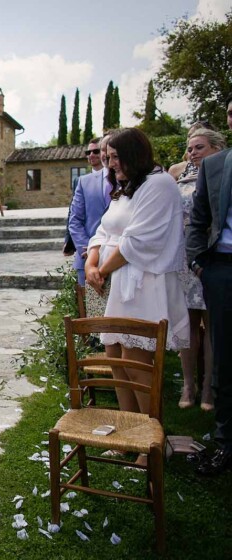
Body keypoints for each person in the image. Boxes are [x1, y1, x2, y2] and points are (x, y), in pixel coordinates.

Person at [86, 127, 190, 415]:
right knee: (116, 359)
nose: (110, 164)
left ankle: (151, 432)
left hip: (144, 283)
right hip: (118, 282)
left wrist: (102, 270)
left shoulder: (159, 184)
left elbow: (138, 241)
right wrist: (91, 263)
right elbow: (104, 229)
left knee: (135, 363)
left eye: (115, 157)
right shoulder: (129, 186)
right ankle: (127, 426)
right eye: (108, 157)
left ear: (133, 154)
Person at [186, 93, 232, 476]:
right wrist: (200, 263)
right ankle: (225, 443)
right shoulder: (216, 166)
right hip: (223, 269)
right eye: (230, 113)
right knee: (225, 357)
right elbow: (198, 220)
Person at [174, 129, 226, 409]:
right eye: (190, 148)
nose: (193, 153)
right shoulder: (179, 175)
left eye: (200, 147)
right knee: (188, 323)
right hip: (184, 254)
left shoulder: (224, 174)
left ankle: (208, 387)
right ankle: (188, 385)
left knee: (212, 323)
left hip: (213, 255)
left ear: (217, 148)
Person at [69, 137, 111, 287]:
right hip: (87, 258)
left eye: (98, 151)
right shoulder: (84, 182)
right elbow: (75, 220)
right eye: (103, 150)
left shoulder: (129, 181)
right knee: (89, 302)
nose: (105, 154)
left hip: (120, 258)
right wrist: (90, 249)